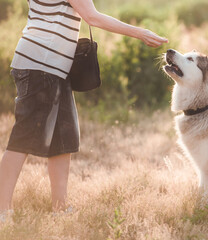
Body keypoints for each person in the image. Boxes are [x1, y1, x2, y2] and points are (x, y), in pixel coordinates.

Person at [0, 0, 168, 219]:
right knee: (23, 137)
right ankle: (3, 208)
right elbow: (92, 17)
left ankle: (60, 208)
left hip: (52, 67)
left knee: (63, 138)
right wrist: (140, 33)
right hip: (41, 65)